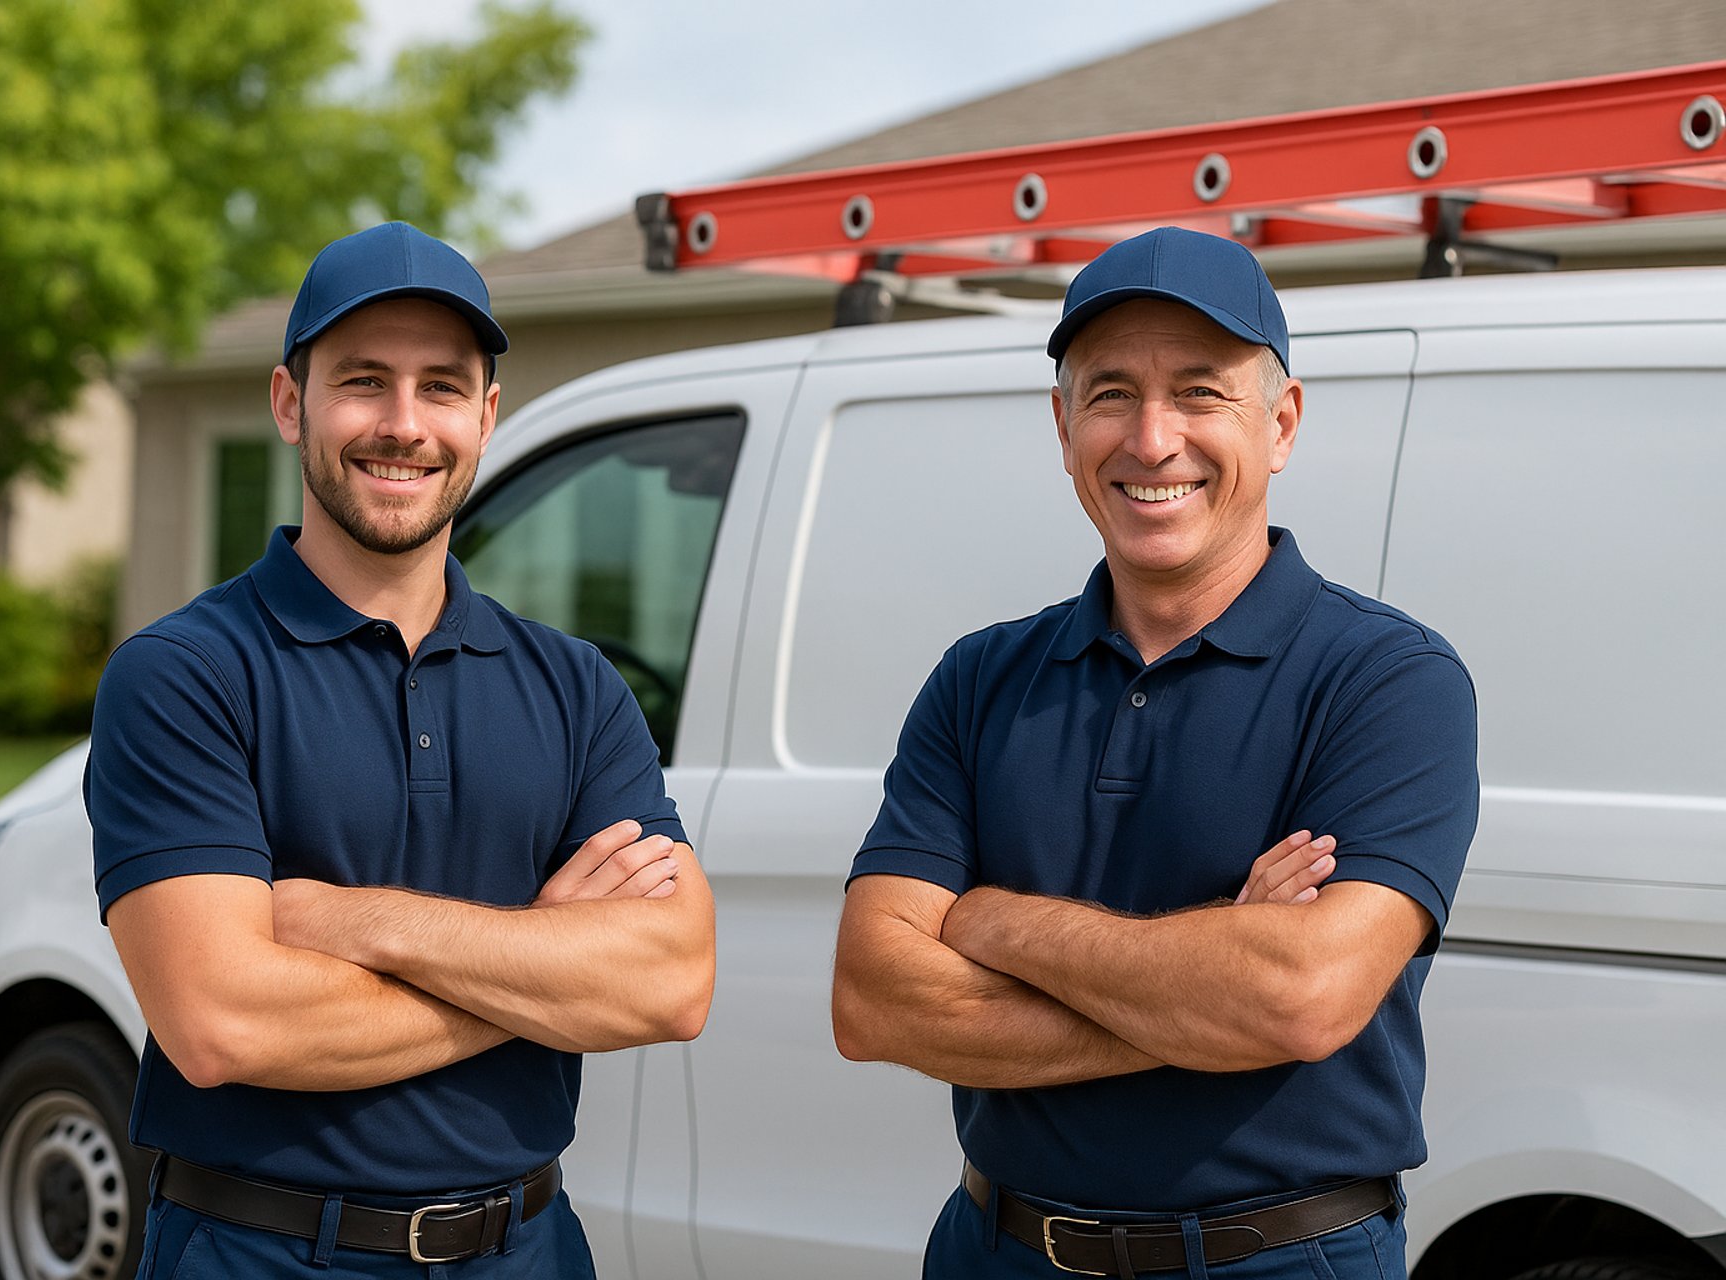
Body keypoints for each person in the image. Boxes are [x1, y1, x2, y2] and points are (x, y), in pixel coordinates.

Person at [831, 226, 1478, 1279]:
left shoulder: (1389, 678)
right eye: (1113, 392)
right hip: (999, 1249)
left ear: (1282, 424)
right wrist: (1210, 983)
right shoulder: (981, 678)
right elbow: (871, 999)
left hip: (1277, 1258)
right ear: (1063, 423)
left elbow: (1301, 998)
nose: (1152, 437)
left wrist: (994, 918)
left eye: (1199, 392)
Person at [85, 221, 715, 1280]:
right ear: (291, 403)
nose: (403, 424)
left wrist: (346, 917)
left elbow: (669, 982)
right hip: (263, 1251)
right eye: (364, 381)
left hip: (529, 1248)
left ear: (486, 416)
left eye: (441, 387)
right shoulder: (184, 672)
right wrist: (544, 963)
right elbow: (221, 1021)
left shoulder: (574, 685)